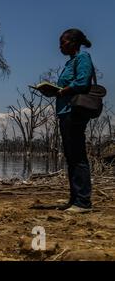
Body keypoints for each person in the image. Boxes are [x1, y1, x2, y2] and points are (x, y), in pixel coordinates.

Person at [55, 28, 95, 213]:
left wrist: (64, 90)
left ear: (73, 43)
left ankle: (83, 202)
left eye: (63, 42)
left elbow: (83, 82)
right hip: (65, 112)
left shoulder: (82, 58)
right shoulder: (71, 62)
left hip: (75, 112)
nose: (60, 46)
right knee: (71, 156)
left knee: (78, 156)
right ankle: (75, 198)